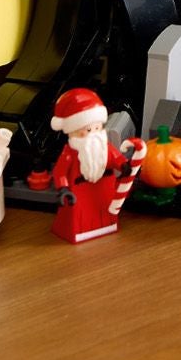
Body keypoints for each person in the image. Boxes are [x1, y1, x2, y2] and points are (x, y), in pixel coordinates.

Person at [48, 88, 145, 244]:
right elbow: (60, 171)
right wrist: (63, 188)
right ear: (72, 130)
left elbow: (114, 157)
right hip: (79, 193)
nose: (93, 132)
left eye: (98, 127)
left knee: (104, 210)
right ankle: (81, 230)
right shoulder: (70, 152)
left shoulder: (103, 146)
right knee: (77, 214)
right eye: (87, 129)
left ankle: (106, 225)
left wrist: (123, 165)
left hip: (104, 190)